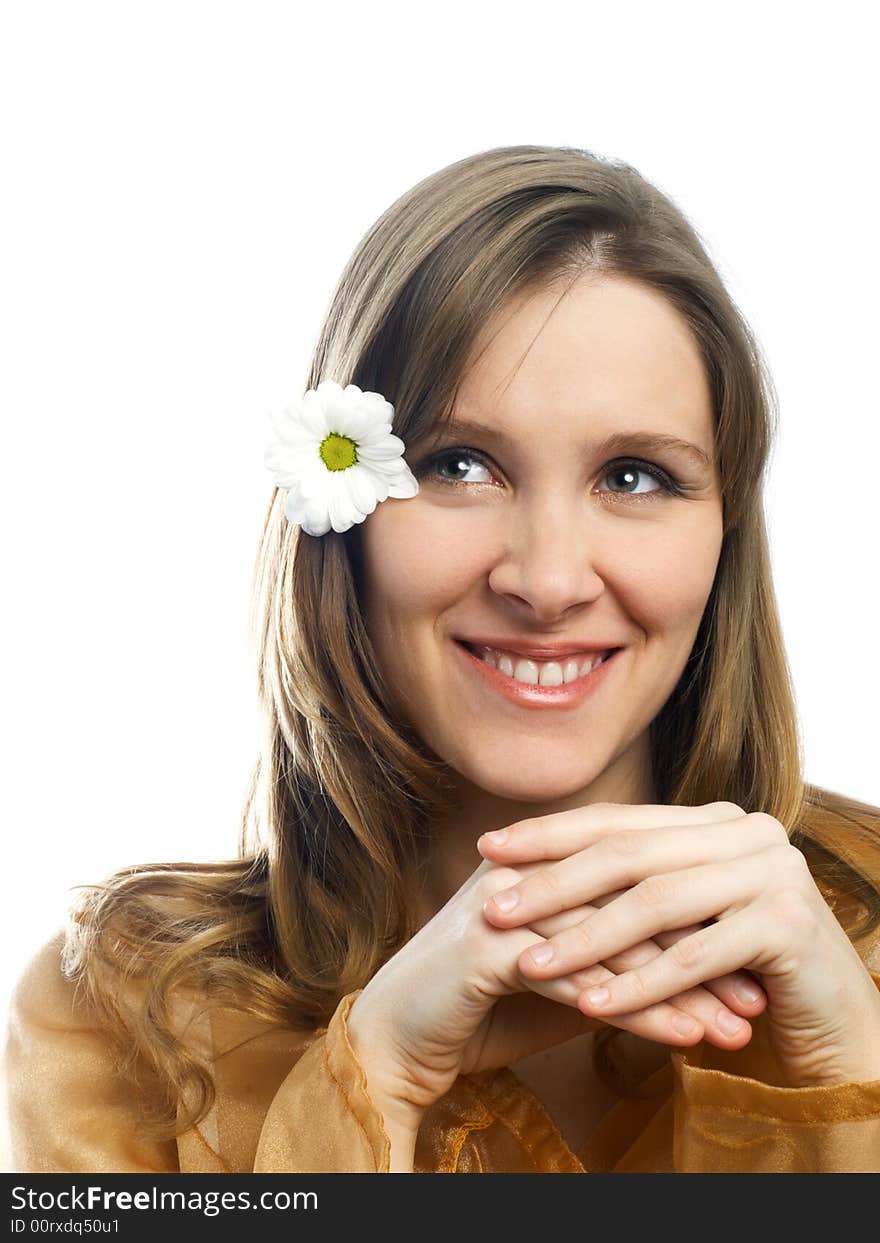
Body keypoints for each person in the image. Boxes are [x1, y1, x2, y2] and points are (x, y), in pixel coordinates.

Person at [6, 143, 880, 1175]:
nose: (548, 580)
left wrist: (849, 1082)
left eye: (635, 476)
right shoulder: (121, 1016)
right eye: (459, 465)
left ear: (724, 534)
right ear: (344, 515)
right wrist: (371, 1076)